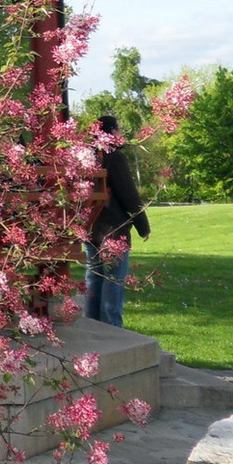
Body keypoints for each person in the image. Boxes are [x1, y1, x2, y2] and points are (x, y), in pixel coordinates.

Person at [84, 114, 151, 327]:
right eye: (118, 129)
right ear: (112, 131)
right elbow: (128, 194)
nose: (120, 134)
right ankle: (113, 331)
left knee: (94, 278)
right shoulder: (114, 157)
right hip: (113, 229)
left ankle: (93, 327)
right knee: (113, 281)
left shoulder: (86, 156)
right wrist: (143, 227)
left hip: (90, 227)